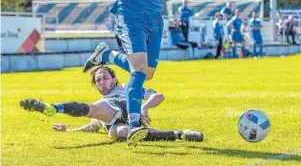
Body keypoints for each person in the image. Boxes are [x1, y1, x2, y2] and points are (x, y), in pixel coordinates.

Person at [87, 0, 199, 146]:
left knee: (147, 74)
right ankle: (135, 123)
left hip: (154, 19)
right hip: (129, 17)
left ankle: (107, 54)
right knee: (138, 69)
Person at [20, 65, 203, 144]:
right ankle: (180, 135)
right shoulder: (101, 102)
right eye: (98, 81)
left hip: (126, 109)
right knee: (117, 132)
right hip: (114, 122)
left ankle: (56, 107)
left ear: (115, 80)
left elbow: (159, 96)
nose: (102, 83)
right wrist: (68, 131)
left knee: (95, 108)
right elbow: (91, 127)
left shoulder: (128, 88)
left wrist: (144, 108)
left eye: (105, 78)